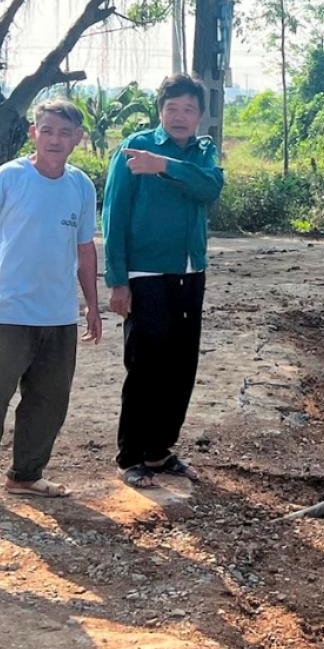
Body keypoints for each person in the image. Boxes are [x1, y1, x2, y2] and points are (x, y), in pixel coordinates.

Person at [0, 100, 100, 520]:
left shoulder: (81, 185)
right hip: (10, 310)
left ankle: (26, 475)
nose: (56, 139)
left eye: (65, 132)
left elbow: (84, 247)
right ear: (33, 133)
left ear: (77, 138)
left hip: (59, 314)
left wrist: (91, 305)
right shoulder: (9, 178)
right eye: (48, 130)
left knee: (50, 399)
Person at [103, 73, 223, 488]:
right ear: (160, 111)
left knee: (180, 364)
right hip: (146, 274)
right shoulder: (135, 148)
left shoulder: (204, 151)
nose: (180, 116)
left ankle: (159, 451)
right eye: (172, 108)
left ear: (200, 117)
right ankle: (131, 455)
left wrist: (166, 167)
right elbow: (114, 215)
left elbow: (210, 188)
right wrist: (117, 281)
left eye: (189, 109)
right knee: (146, 365)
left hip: (190, 272)